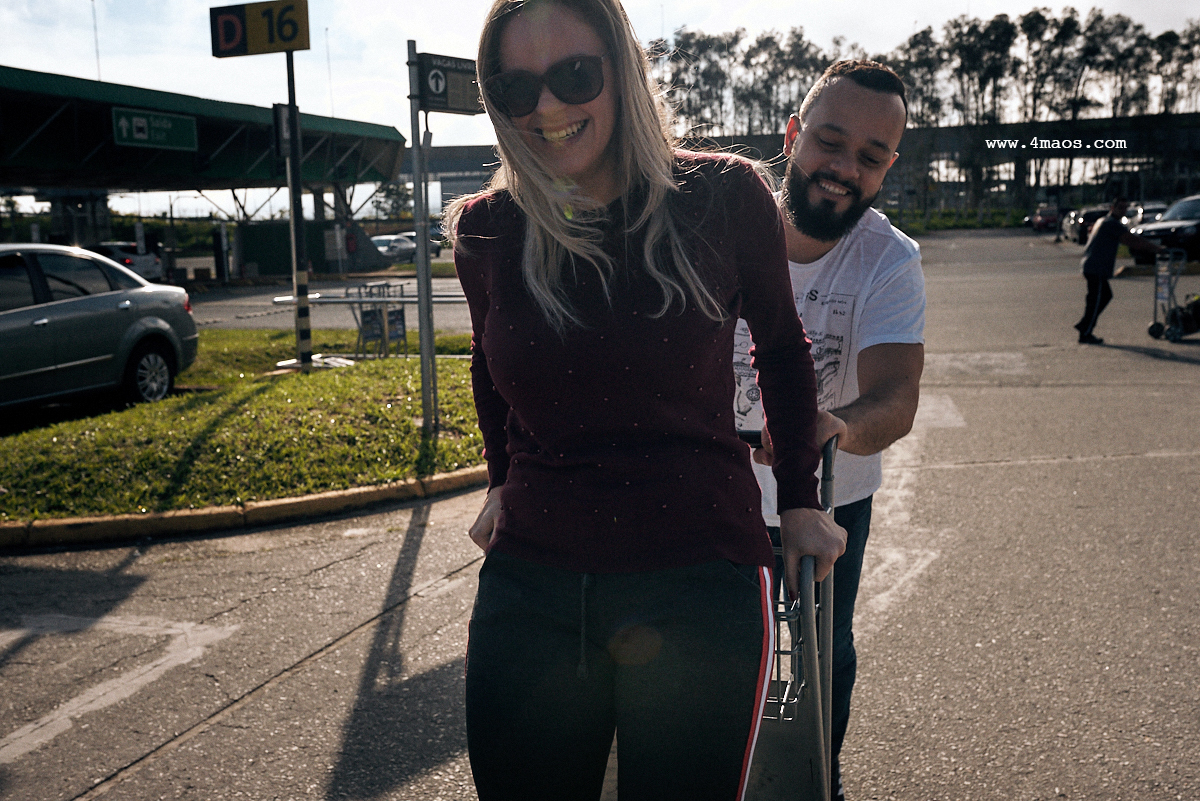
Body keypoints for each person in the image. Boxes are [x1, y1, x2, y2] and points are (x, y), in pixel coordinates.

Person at [446, 1, 846, 798]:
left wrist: (799, 499)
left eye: (573, 75)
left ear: (622, 71)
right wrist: (499, 479)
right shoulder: (488, 228)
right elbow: (488, 369)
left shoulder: (722, 194)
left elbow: (780, 346)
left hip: (698, 577)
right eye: (516, 88)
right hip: (534, 583)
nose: (548, 108)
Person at [732, 60, 925, 801]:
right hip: (711, 491)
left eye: (870, 158)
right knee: (720, 648)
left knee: (822, 654)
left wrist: (829, 426)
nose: (844, 169)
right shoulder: (725, 230)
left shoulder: (889, 260)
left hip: (830, 495)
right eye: (830, 142)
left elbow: (896, 398)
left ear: (887, 169)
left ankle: (818, 777)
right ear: (792, 134)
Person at [1074, 197, 1163, 344]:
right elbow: (1133, 241)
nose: (1123, 210)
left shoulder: (1104, 221)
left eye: (1125, 208)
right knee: (1096, 300)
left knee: (1103, 296)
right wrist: (1156, 249)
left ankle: (1084, 325)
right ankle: (1085, 332)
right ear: (1112, 208)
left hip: (1094, 266)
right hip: (1095, 267)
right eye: (1120, 207)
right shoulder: (1111, 224)